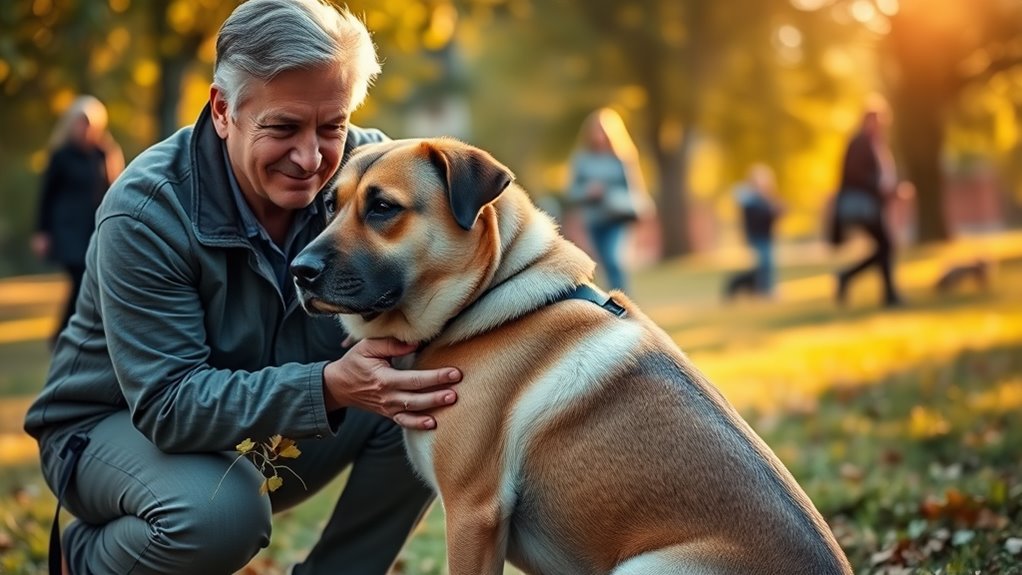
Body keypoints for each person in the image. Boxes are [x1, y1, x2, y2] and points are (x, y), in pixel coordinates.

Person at [23, 2, 462, 574]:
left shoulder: (371, 173)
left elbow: (467, 249)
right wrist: (328, 385)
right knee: (218, 514)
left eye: (332, 126)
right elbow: (168, 406)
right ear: (223, 109)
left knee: (434, 399)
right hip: (113, 429)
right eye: (282, 128)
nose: (311, 159)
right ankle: (84, 560)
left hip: (267, 427)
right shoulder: (145, 212)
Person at [32, 95, 124, 347]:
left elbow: (116, 190)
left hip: (93, 227)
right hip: (67, 230)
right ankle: (64, 334)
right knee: (81, 277)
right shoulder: (61, 156)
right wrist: (42, 231)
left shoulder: (104, 153)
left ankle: (68, 334)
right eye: (80, 123)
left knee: (87, 279)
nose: (84, 129)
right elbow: (46, 196)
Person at [565, 107, 649, 293]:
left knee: (614, 259)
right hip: (594, 219)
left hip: (617, 218)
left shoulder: (622, 158)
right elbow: (571, 193)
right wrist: (588, 192)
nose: (599, 135)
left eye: (602, 130)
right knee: (604, 264)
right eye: (595, 130)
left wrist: (610, 193)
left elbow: (634, 190)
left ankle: (624, 303)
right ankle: (616, 301)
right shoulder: (582, 159)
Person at [829, 102, 904, 307]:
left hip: (870, 203)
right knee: (886, 245)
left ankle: (851, 278)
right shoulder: (860, 142)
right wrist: (882, 190)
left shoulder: (875, 143)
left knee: (885, 246)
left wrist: (889, 191)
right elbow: (857, 175)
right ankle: (887, 294)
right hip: (862, 205)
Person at [724, 163, 784, 300]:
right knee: (764, 263)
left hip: (766, 235)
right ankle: (764, 291)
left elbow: (771, 216)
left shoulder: (765, 199)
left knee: (767, 264)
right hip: (757, 235)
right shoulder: (750, 199)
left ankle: (766, 289)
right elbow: (758, 216)